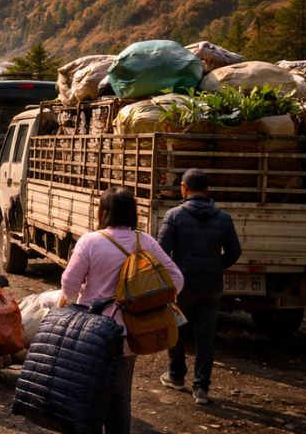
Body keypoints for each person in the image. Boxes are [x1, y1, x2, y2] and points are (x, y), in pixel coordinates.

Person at [62, 188, 184, 434]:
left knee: (91, 393)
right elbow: (176, 279)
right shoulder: (145, 241)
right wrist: (147, 302)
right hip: (131, 331)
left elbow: (69, 285)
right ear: (132, 212)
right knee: (120, 395)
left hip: (93, 332)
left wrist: (74, 304)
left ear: (103, 212)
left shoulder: (90, 241)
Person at [157, 168, 242, 405]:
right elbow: (235, 251)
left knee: (176, 329)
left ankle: (176, 376)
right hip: (211, 284)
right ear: (207, 190)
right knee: (205, 336)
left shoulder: (174, 215)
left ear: (184, 188)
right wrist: (216, 265)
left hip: (182, 286)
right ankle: (201, 388)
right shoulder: (223, 218)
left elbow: (161, 252)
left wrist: (174, 272)